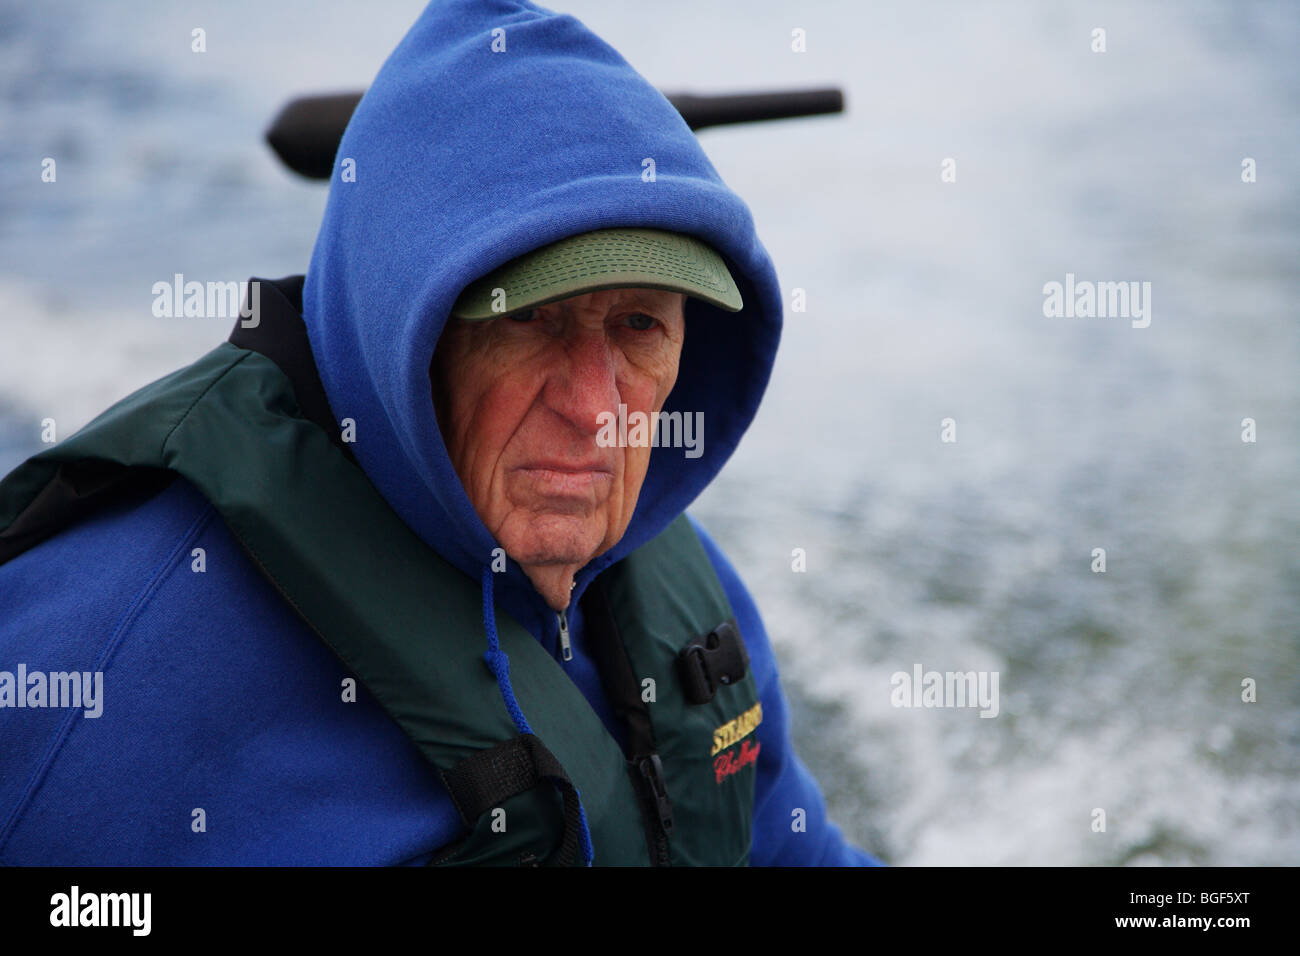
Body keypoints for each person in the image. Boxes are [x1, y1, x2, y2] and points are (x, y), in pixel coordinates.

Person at [0, 0, 881, 866]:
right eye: (529, 321)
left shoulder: (691, 603)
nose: (594, 409)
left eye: (639, 326)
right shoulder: (96, 703)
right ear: (407, 337)